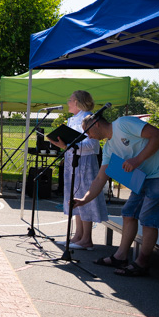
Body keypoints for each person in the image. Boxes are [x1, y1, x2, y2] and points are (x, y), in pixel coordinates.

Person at [73, 114, 159, 277]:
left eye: (87, 131)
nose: (88, 136)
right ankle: (120, 257)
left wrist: (136, 160)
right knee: (128, 214)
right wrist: (83, 200)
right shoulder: (109, 147)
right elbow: (100, 178)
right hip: (143, 177)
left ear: (95, 124)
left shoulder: (123, 124)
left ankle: (142, 262)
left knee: (148, 219)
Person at [48, 91, 107, 249]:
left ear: (78, 102)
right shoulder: (72, 119)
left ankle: (86, 239)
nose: (68, 102)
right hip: (72, 161)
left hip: (85, 162)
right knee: (74, 198)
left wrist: (67, 146)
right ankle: (77, 236)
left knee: (83, 197)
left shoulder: (88, 118)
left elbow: (93, 145)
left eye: (70, 100)